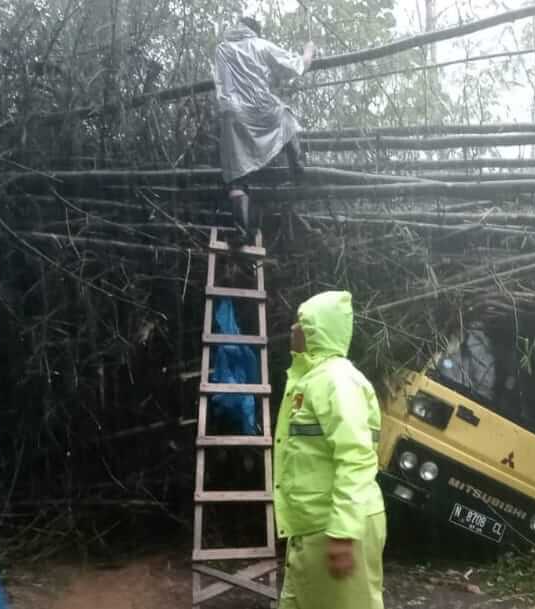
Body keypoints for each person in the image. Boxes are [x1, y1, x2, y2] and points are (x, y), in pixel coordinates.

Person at [274, 290, 386, 609]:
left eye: (301, 322)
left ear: (317, 330)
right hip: (314, 526)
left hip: (334, 525)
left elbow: (356, 457)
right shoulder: (311, 379)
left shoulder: (337, 381)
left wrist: (342, 531)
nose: (293, 329)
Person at [213, 17, 315, 242]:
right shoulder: (261, 45)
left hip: (231, 115)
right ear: (254, 31)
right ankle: (298, 168)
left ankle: (241, 231)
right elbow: (296, 65)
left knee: (236, 177)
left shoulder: (221, 49)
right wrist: (308, 51)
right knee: (285, 116)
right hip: (260, 110)